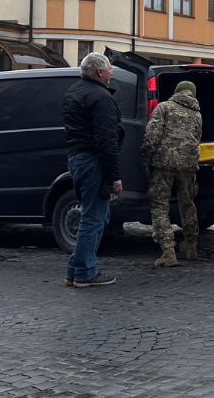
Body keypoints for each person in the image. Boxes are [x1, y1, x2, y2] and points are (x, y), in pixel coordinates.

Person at [62, 52, 123, 288]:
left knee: (94, 215)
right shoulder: (101, 97)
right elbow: (106, 140)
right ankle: (85, 273)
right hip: (94, 161)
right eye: (109, 68)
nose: (111, 72)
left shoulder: (73, 92)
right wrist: (114, 176)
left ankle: (74, 270)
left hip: (76, 159)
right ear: (99, 72)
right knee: (94, 218)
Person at [141, 80, 203, 267]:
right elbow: (197, 138)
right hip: (188, 165)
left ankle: (168, 250)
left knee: (160, 205)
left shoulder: (164, 108)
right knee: (188, 204)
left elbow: (151, 136)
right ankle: (191, 244)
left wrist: (146, 160)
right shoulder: (197, 114)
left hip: (164, 164)